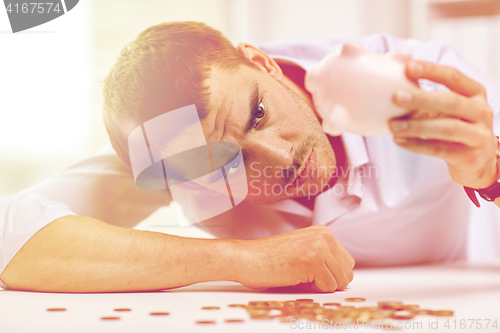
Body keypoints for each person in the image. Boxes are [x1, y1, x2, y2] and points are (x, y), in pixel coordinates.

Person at [1, 22, 499, 293]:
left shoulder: (412, 83)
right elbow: (11, 233)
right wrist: (236, 258)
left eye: (258, 113)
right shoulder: (171, 161)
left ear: (261, 62)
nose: (280, 159)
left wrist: (492, 172)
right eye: (221, 163)